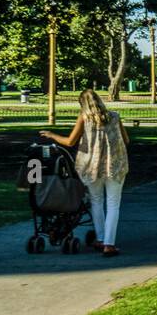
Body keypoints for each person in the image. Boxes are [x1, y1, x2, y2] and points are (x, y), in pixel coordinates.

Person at [40, 89, 129, 257]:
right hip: (115, 165)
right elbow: (126, 140)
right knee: (113, 204)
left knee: (96, 201)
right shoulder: (115, 117)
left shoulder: (84, 118)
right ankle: (109, 244)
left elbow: (70, 141)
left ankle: (101, 239)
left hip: (91, 166)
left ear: (83, 104)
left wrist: (52, 135)